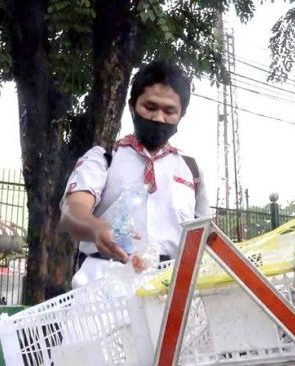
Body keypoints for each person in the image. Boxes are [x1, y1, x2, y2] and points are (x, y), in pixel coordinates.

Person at [59, 60, 210, 288]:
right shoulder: (104, 158)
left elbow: (205, 237)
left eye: (169, 111)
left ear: (181, 115)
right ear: (132, 106)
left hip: (170, 290)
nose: (159, 117)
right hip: (104, 290)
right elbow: (72, 211)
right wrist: (97, 229)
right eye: (150, 107)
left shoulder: (191, 170)